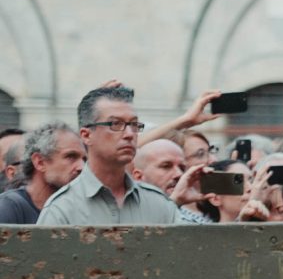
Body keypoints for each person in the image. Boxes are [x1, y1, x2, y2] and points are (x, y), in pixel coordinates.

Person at [36, 86, 179, 227]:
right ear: (86, 135)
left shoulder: (159, 205)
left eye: (134, 124)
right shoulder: (61, 210)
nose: (129, 134)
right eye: (115, 124)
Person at [0, 124, 85, 224]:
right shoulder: (9, 206)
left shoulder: (80, 208)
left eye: (84, 159)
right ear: (40, 162)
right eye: (70, 156)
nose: (82, 167)